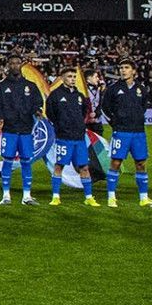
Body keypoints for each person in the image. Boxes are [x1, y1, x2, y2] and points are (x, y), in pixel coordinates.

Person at [101, 61, 152, 208]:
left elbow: (143, 107)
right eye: (121, 68)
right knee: (116, 163)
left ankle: (144, 198)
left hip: (138, 132)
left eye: (126, 68)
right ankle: (111, 197)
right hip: (121, 132)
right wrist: (116, 122)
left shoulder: (141, 89)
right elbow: (105, 108)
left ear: (133, 71)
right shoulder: (113, 89)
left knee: (141, 163)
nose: (123, 70)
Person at [0, 57, 43, 206]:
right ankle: (6, 195)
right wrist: (0, 118)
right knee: (7, 160)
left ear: (21, 65)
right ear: (8, 65)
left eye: (17, 63)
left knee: (26, 161)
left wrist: (38, 111)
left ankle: (27, 196)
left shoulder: (31, 86)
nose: (14, 66)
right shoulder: (1, 87)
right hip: (9, 130)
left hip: (26, 130)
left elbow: (38, 103)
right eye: (12, 63)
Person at [46, 67, 99, 206]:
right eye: (69, 76)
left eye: (74, 77)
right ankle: (56, 196)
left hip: (79, 138)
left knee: (84, 167)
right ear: (62, 78)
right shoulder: (55, 95)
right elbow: (51, 114)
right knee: (59, 166)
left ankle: (89, 197)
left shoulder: (80, 96)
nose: (73, 79)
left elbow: (83, 114)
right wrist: (61, 126)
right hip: (64, 138)